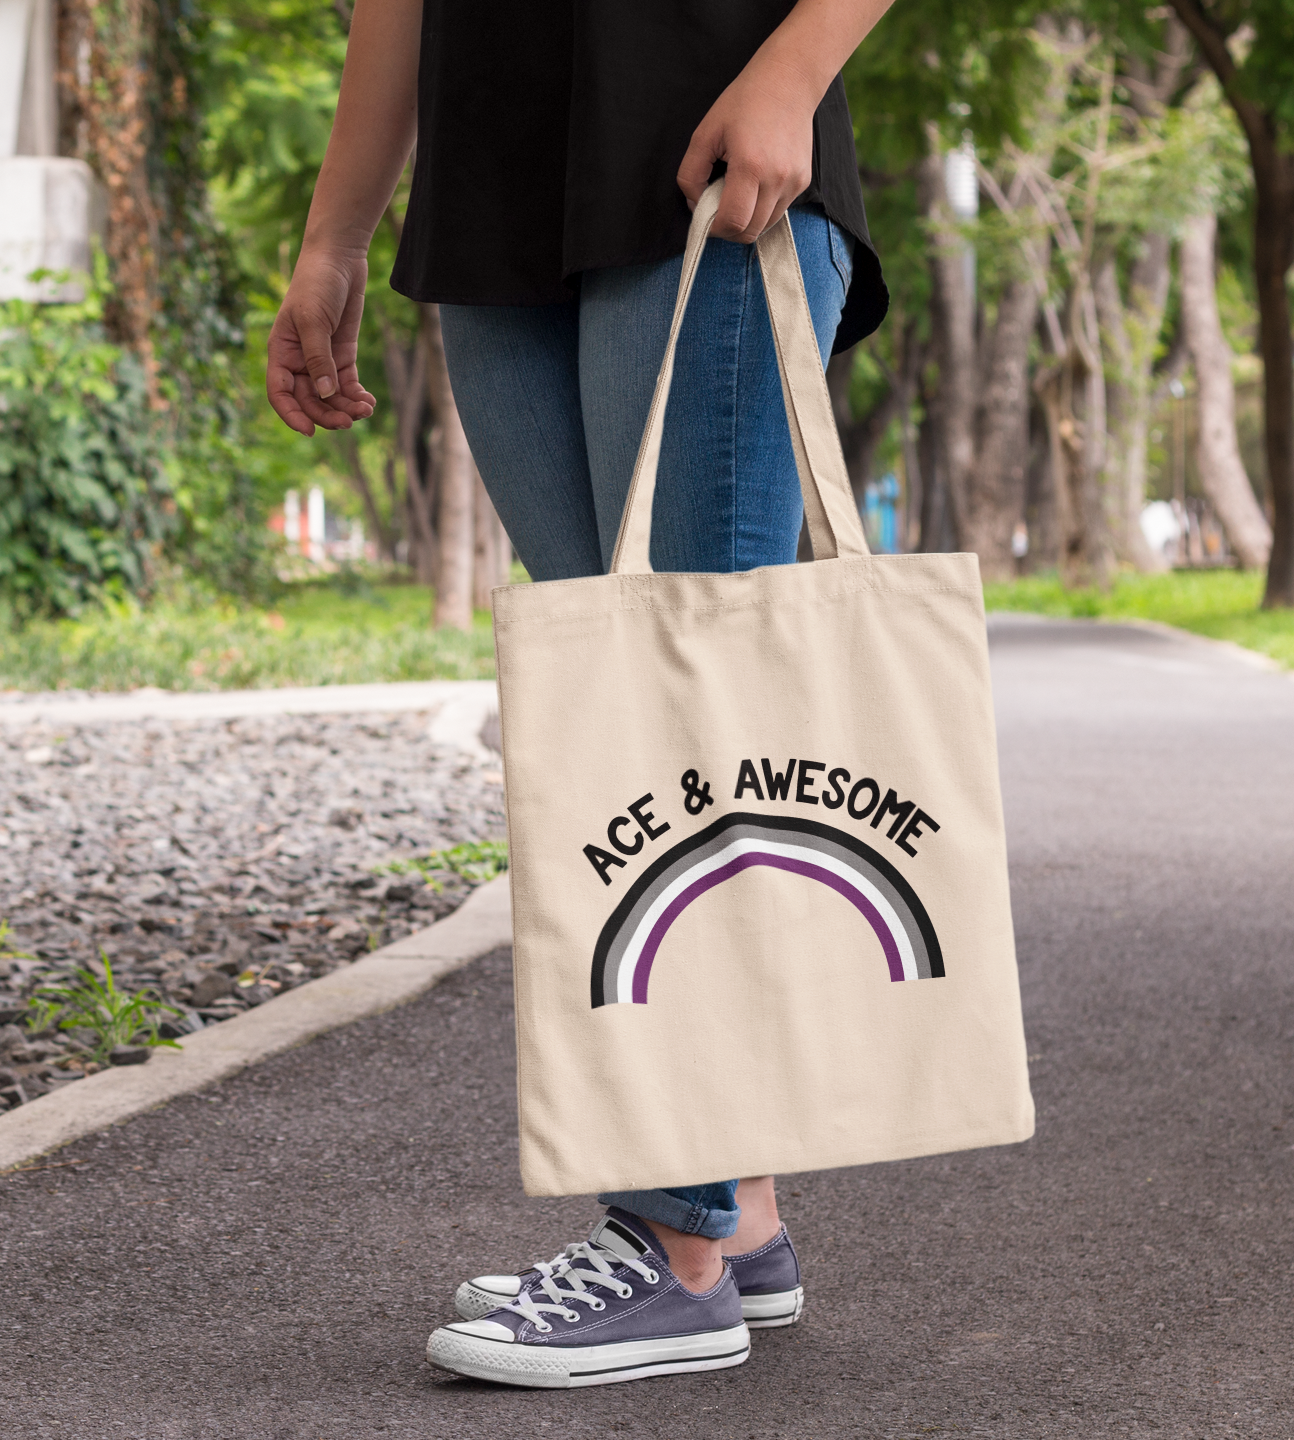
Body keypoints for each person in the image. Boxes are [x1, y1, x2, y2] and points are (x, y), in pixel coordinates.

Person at [269, 0, 895, 1389]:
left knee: (684, 708)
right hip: (497, 178)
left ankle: (672, 1255)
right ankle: (741, 1218)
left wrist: (794, 73)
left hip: (718, 127)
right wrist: (335, 234)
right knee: (618, 718)